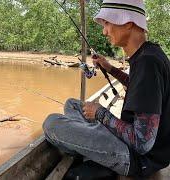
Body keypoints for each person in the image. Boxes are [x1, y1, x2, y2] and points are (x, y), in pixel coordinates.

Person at [43, 0, 170, 178]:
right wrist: (109, 67)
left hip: (137, 159)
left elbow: (142, 143)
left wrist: (101, 114)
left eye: (107, 23)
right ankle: (92, 140)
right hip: (136, 147)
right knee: (72, 105)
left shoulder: (147, 63)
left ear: (128, 23)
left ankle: (90, 148)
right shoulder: (149, 53)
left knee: (52, 123)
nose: (104, 31)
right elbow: (137, 85)